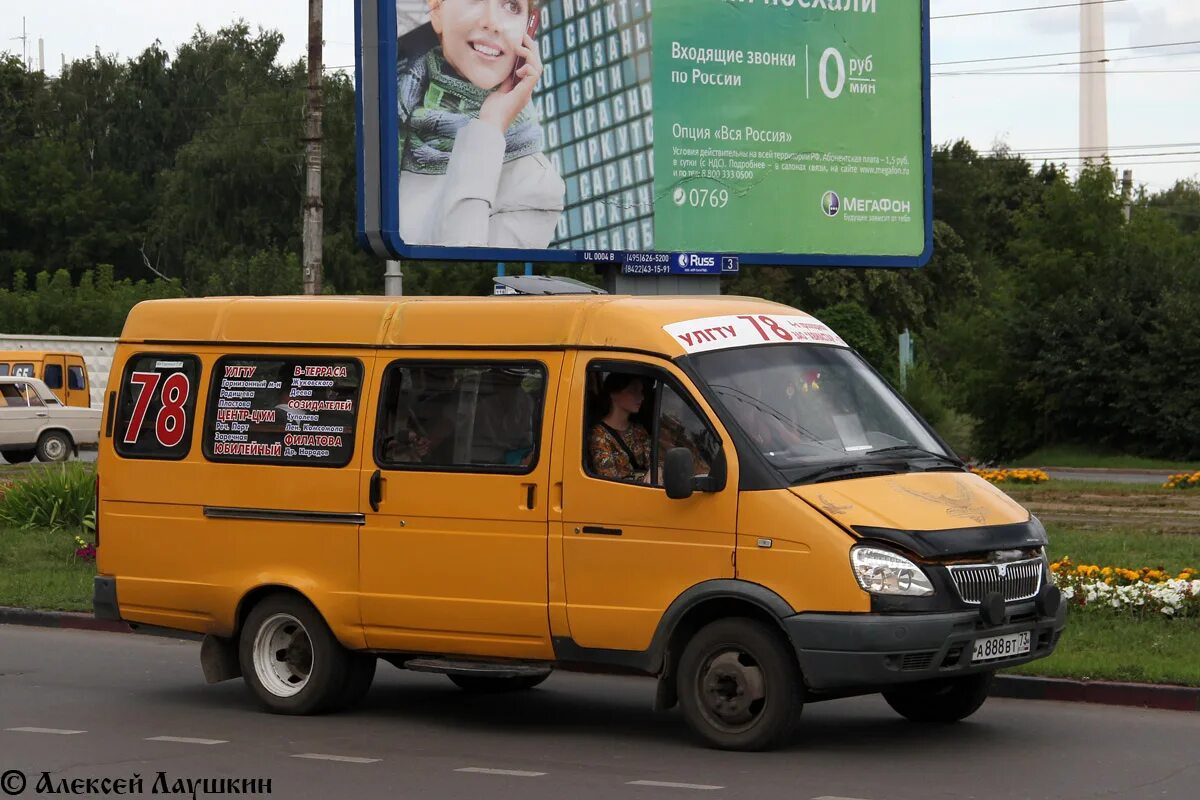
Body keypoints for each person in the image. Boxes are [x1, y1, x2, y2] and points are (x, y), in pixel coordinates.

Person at [397, 0, 565, 248]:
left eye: (511, 6)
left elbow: (460, 261)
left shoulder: (535, 187)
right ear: (437, 10)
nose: (492, 23)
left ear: (528, 30)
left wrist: (489, 127)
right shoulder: (387, 125)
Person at [588, 373, 652, 483]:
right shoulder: (598, 435)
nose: (641, 397)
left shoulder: (638, 430)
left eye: (641, 392)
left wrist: (658, 470)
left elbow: (654, 460)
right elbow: (610, 479)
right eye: (633, 391)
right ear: (614, 393)